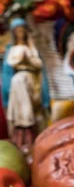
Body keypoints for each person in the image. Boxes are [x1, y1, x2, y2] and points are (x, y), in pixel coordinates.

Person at [1, 18, 50, 150]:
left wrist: (28, 59)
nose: (20, 33)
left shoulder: (31, 47)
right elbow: (8, 65)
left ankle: (27, 119)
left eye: (22, 30)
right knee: (16, 80)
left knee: (20, 79)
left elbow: (38, 64)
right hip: (17, 80)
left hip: (29, 77)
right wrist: (18, 61)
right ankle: (21, 120)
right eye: (17, 31)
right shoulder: (12, 49)